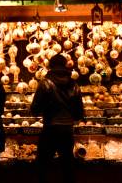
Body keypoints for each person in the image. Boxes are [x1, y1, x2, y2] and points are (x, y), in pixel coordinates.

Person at [30, 53, 84, 183]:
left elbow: (35, 109)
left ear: (50, 66)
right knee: (67, 166)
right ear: (65, 66)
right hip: (67, 130)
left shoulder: (45, 83)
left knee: (42, 165)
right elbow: (79, 113)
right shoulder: (74, 85)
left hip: (50, 128)